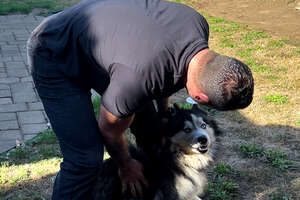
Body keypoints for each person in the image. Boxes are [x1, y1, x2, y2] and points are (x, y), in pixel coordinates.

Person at [26, 0, 254, 199]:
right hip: (54, 50)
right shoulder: (137, 78)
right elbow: (110, 128)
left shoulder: (197, 26)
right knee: (85, 158)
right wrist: (125, 165)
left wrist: (162, 112)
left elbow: (170, 67)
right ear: (199, 98)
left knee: (153, 130)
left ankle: (158, 190)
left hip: (108, 45)